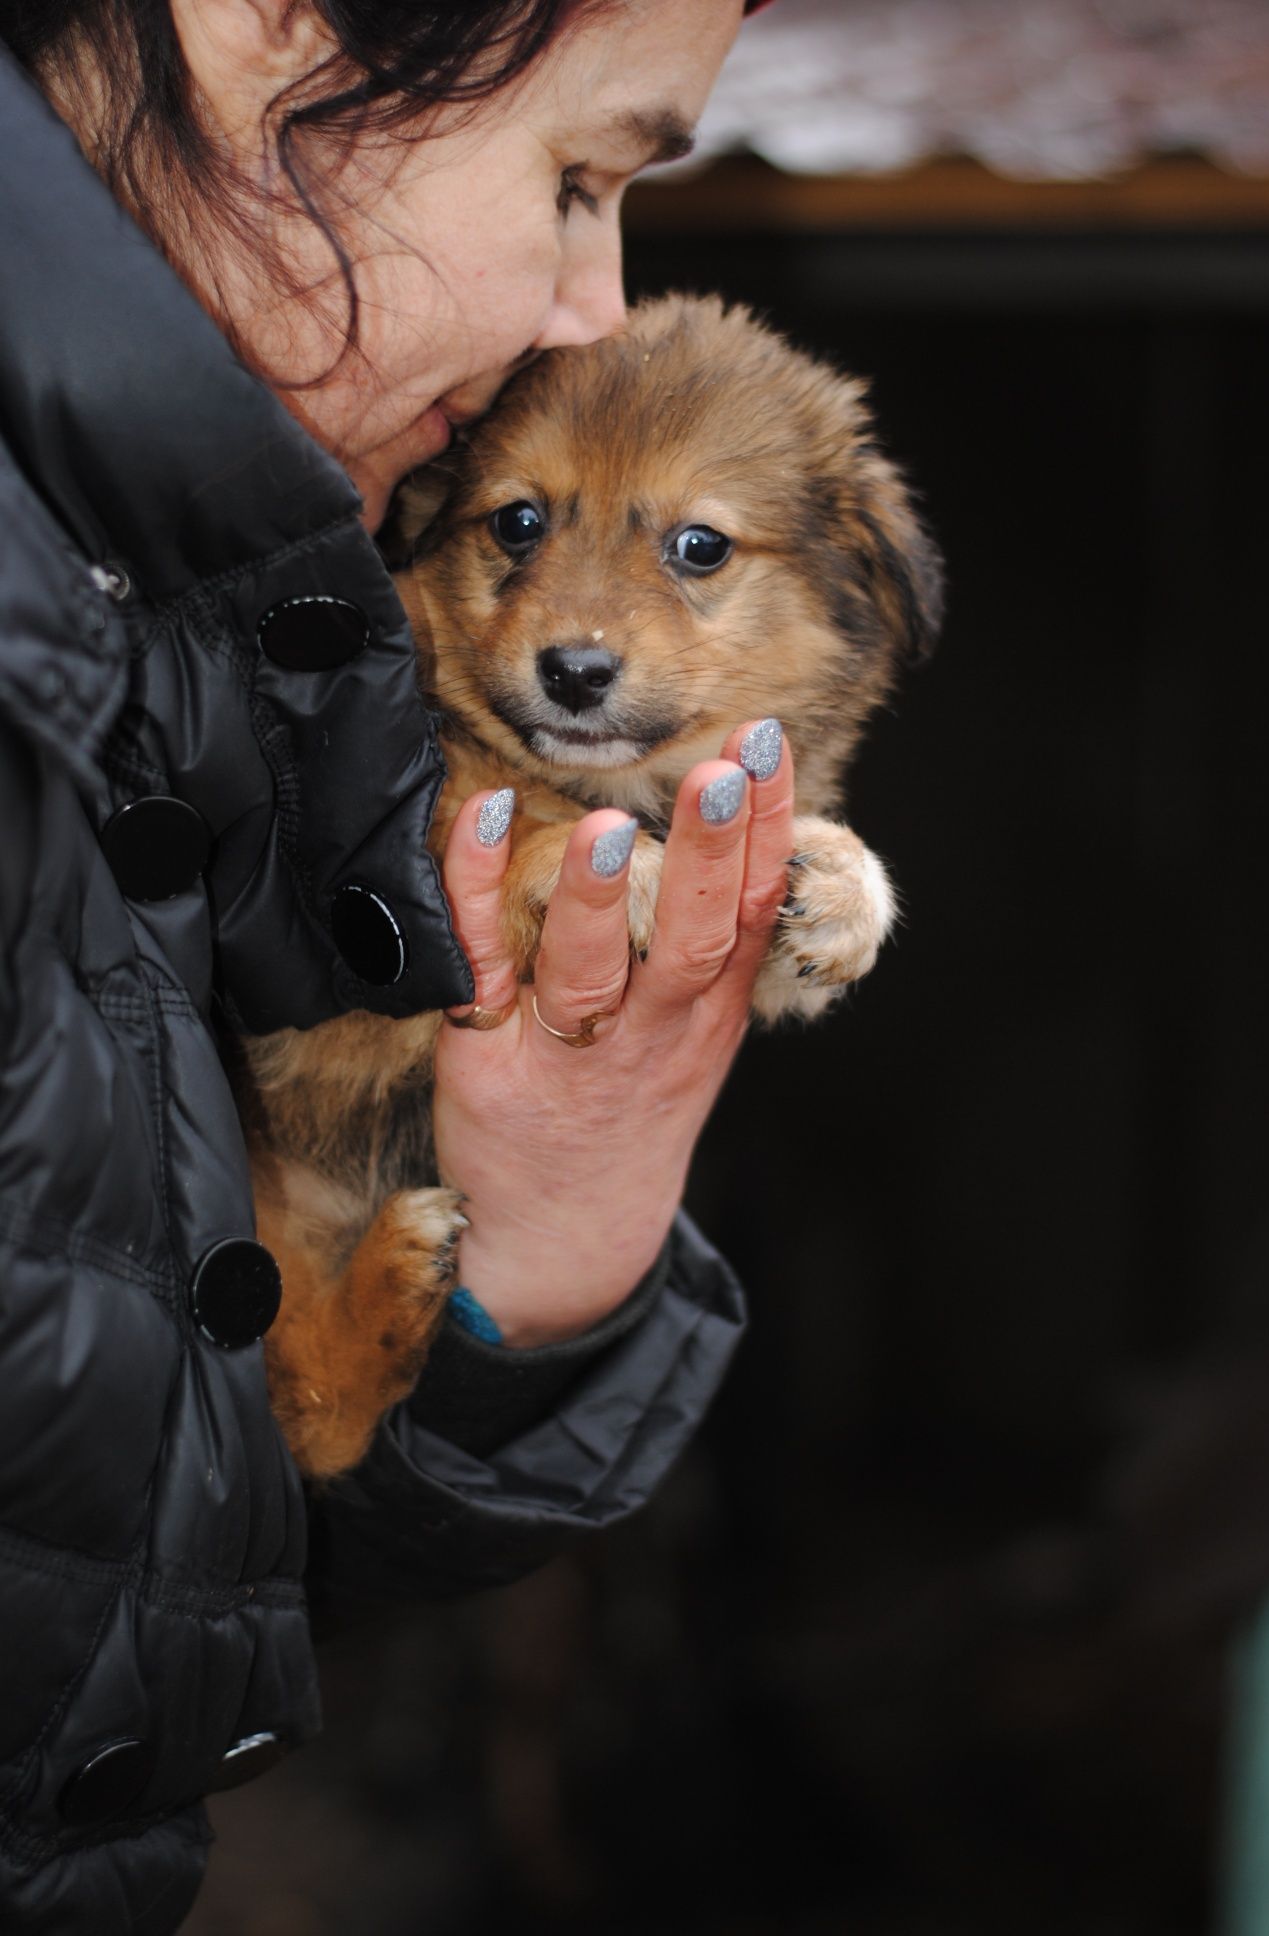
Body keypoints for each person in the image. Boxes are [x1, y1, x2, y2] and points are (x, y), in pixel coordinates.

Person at [0, 1, 783, 1927]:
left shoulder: (171, 583)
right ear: (263, 24)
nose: (595, 308)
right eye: (580, 177)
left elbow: (121, 1476)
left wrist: (525, 1281)